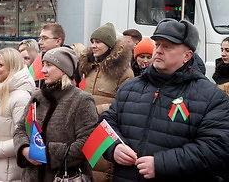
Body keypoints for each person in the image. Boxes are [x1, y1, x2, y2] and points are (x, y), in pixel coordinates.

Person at [101, 18, 229, 181]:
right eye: (157, 44)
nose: (159, 50)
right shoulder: (129, 88)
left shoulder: (211, 97)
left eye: (167, 46)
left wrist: (162, 164)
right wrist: (113, 147)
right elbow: (104, 125)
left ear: (187, 55)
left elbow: (217, 149)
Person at [14, 47, 98, 181]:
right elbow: (21, 128)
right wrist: (25, 149)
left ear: (64, 70)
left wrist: (46, 153)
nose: (43, 70)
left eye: (49, 65)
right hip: (32, 176)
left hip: (64, 177)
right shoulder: (37, 96)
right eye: (43, 64)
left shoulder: (82, 100)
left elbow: (86, 143)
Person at [78, 22, 134, 182]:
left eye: (98, 42)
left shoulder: (124, 72)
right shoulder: (89, 68)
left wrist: (96, 109)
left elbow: (125, 104)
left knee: (101, 172)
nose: (93, 46)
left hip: (106, 128)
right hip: (84, 127)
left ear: (109, 45)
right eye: (92, 42)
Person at [0, 48, 35, 181]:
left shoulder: (21, 97)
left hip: (10, 170)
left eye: (0, 65)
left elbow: (22, 138)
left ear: (12, 67)